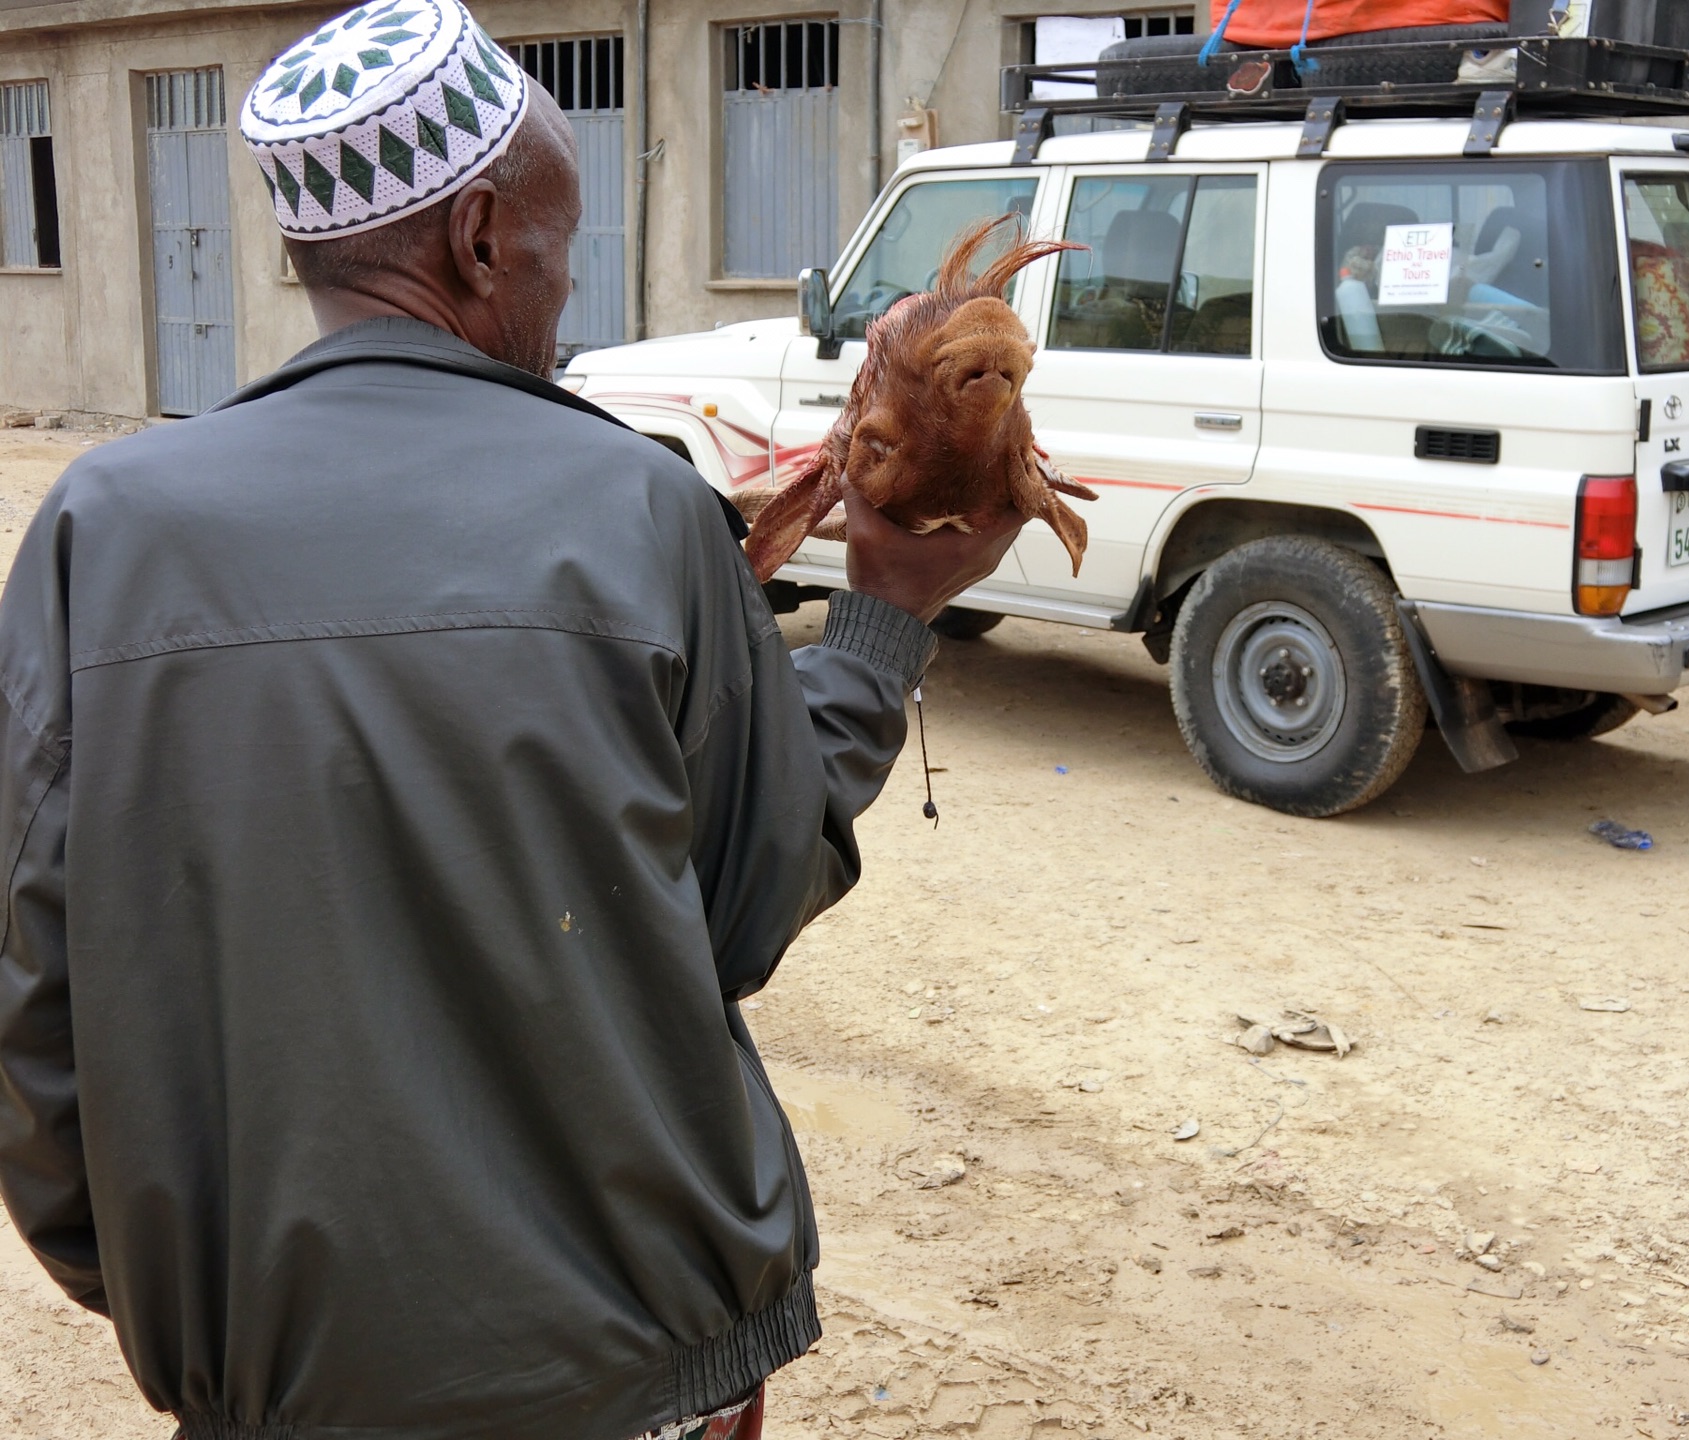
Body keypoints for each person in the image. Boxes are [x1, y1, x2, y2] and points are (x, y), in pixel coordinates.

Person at [0, 4, 1018, 1438]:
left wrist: (192, 1296)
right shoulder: (638, 510)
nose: (562, 277)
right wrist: (884, 618)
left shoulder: (102, 529)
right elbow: (741, 904)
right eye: (560, 237)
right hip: (629, 1383)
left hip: (277, 1386)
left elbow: (34, 995)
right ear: (480, 237)